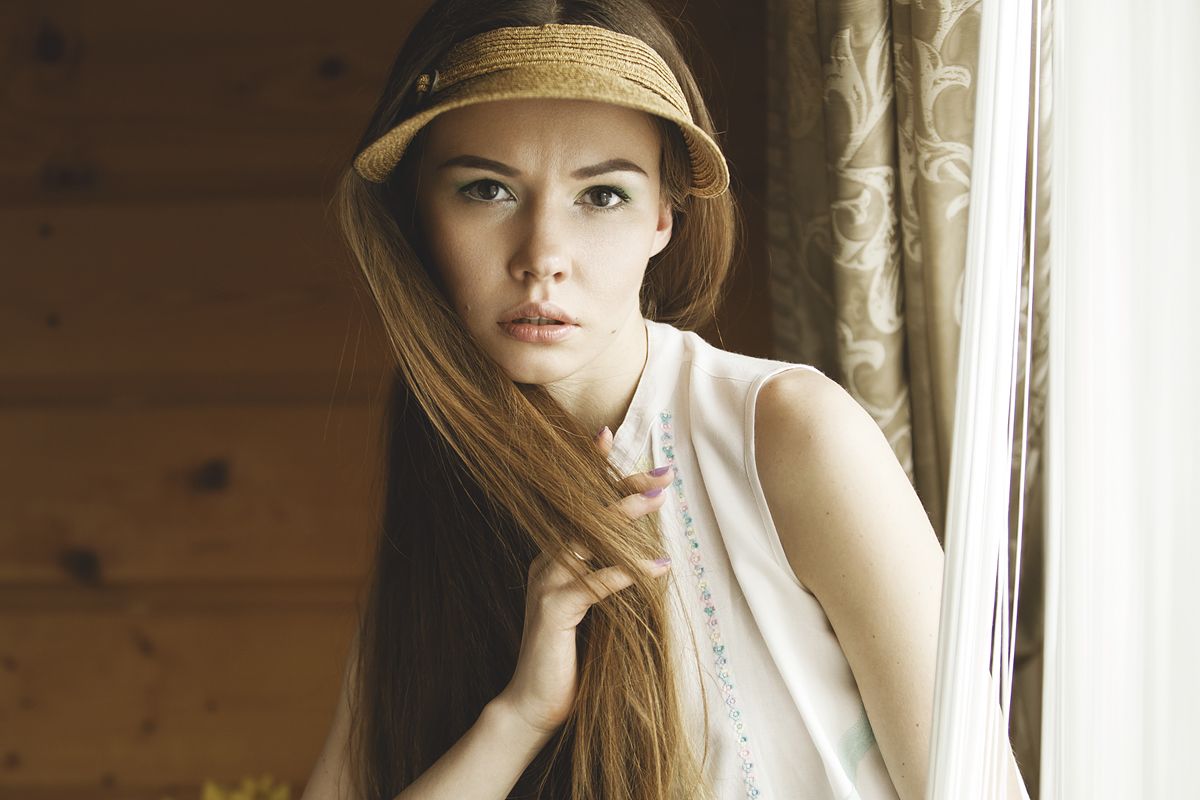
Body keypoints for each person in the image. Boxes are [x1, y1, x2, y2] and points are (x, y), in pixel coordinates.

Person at [299, 1, 964, 798]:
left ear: (664, 219)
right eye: (487, 189)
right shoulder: (443, 460)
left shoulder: (788, 433)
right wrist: (519, 716)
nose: (543, 256)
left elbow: (973, 783)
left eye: (602, 196)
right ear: (420, 215)